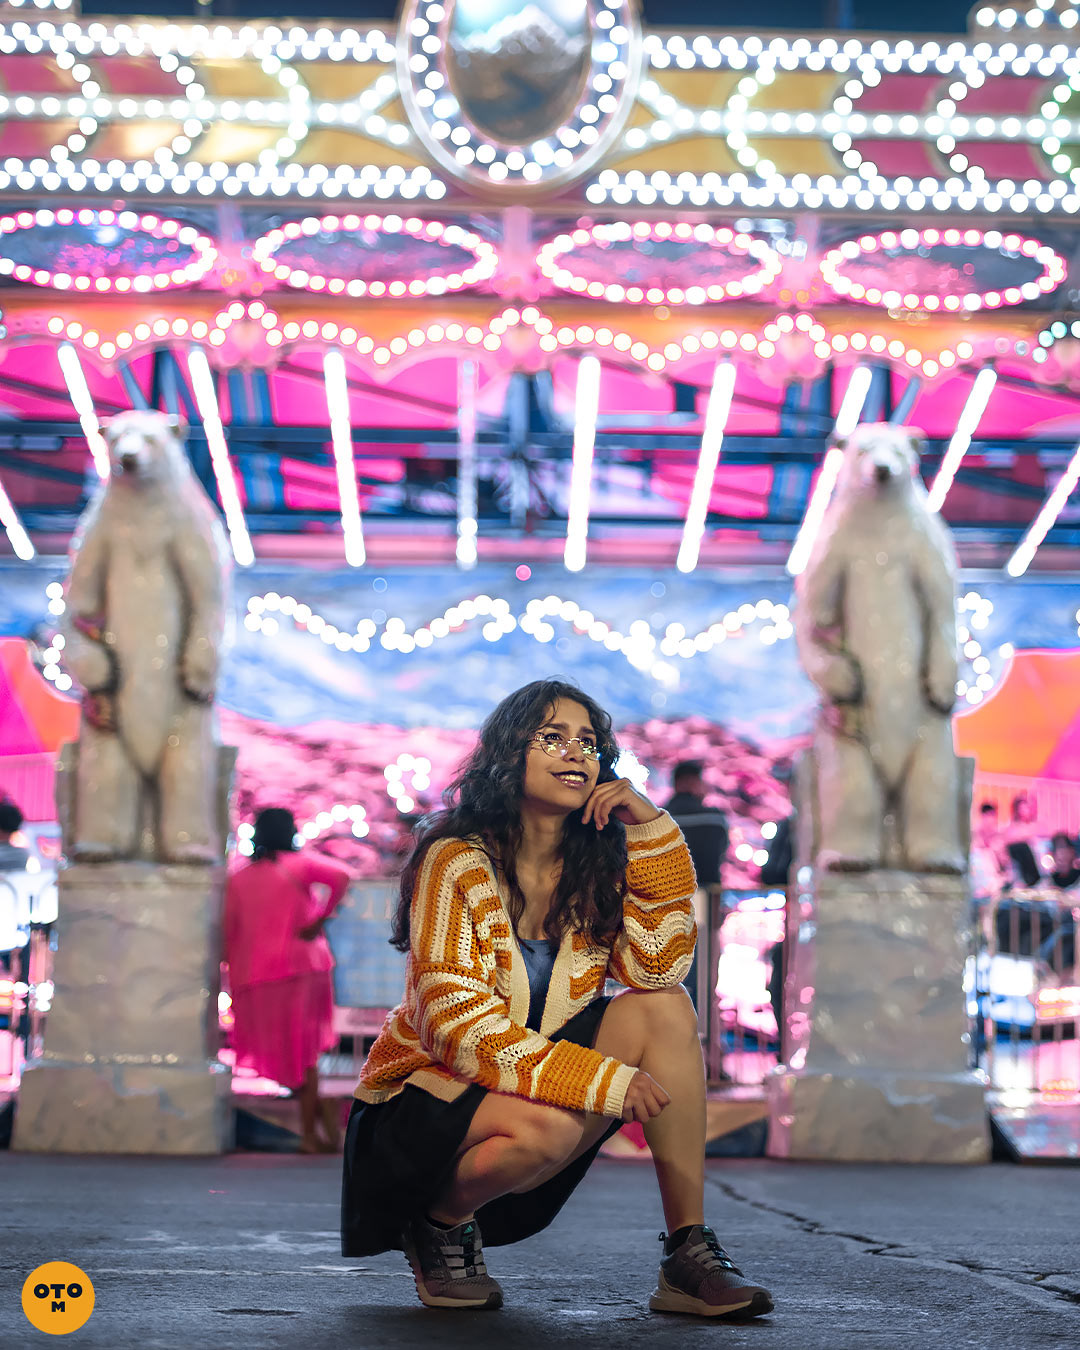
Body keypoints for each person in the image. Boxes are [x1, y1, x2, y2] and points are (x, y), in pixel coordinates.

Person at [341, 679, 773, 1320]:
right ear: (509, 753)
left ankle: (687, 1249)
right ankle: (436, 1223)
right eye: (552, 737)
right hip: (425, 1096)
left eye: (589, 742)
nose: (576, 753)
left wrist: (652, 831)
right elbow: (452, 1020)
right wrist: (597, 1079)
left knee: (666, 1006)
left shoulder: (597, 864)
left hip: (530, 1078)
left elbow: (658, 966)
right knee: (546, 1128)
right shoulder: (454, 858)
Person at [225, 807, 351, 1154]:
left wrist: (230, 976)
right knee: (304, 1054)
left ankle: (318, 1135)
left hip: (259, 975)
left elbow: (229, 933)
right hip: (305, 969)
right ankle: (319, 1135)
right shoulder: (300, 865)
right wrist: (321, 918)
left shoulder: (237, 878)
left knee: (287, 1055)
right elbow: (342, 876)